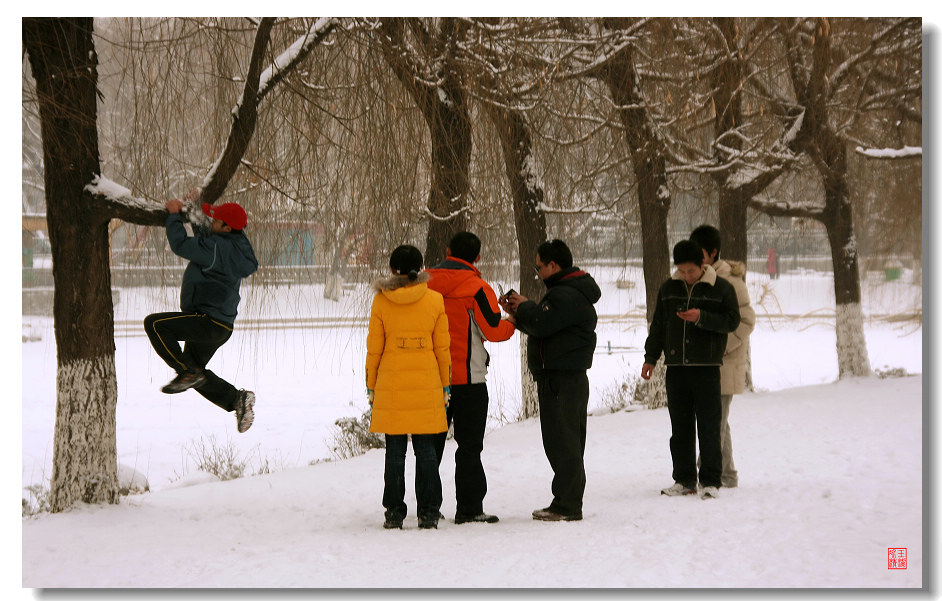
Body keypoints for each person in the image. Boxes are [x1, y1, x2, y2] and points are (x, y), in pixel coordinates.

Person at [499, 239, 600, 522]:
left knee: (562, 441)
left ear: (553, 265)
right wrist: (520, 313)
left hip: (561, 378)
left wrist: (527, 306)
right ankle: (566, 501)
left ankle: (567, 505)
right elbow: (545, 326)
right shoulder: (568, 292)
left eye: (539, 266)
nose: (538, 271)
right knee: (565, 440)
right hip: (566, 377)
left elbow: (543, 323)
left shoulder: (564, 294)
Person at [144, 198, 259, 433]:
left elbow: (180, 244)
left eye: (216, 220)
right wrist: (194, 207)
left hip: (206, 320)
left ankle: (187, 371)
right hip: (221, 326)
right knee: (196, 373)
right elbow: (208, 237)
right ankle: (237, 400)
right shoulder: (235, 245)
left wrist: (175, 215)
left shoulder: (216, 248)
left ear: (227, 227)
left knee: (155, 325)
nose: (212, 222)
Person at [427, 231, 516, 525]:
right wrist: (513, 320)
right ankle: (469, 507)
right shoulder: (478, 288)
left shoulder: (424, 284)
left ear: (448, 249)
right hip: (469, 379)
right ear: (477, 257)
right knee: (469, 448)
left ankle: (427, 507)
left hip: (432, 379)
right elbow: (493, 330)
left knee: (431, 447)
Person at [641, 239, 740, 500]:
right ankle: (684, 479)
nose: (686, 276)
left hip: (707, 368)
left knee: (709, 426)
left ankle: (710, 480)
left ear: (703, 264)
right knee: (680, 427)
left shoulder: (720, 288)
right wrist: (650, 357)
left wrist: (702, 318)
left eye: (691, 271)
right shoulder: (669, 288)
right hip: (676, 368)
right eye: (682, 271)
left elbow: (732, 321)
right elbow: (659, 326)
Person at [366, 245, 452, 530]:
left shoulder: (381, 302)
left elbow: (374, 350)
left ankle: (394, 512)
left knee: (395, 451)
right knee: (427, 452)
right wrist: (445, 385)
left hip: (391, 384)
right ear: (421, 267)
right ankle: (428, 512)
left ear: (392, 270)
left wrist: (371, 385)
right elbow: (442, 349)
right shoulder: (435, 300)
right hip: (426, 384)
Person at [690, 225, 756, 488]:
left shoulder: (730, 282)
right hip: (706, 364)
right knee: (717, 422)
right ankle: (726, 474)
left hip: (724, 364)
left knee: (714, 422)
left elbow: (746, 321)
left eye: (699, 253)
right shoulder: (698, 279)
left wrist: (717, 345)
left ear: (713, 253)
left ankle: (710, 473)